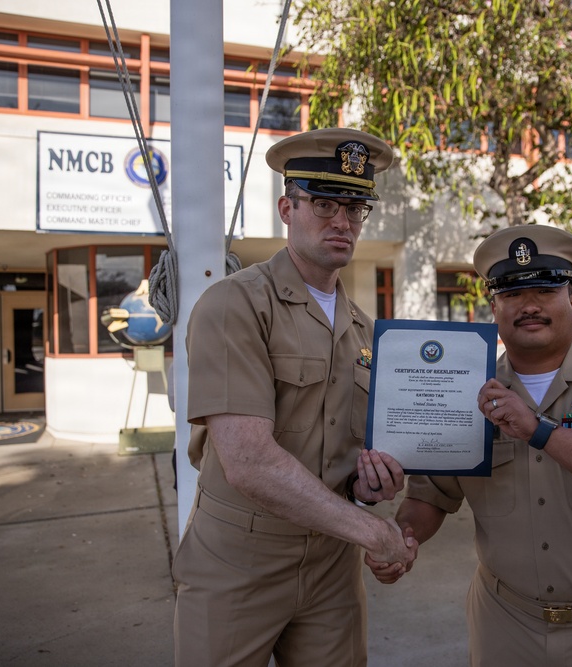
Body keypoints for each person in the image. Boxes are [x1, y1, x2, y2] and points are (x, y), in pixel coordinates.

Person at [368, 225, 572, 666]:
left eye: (545, 290)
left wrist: (541, 431)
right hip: (505, 626)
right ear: (493, 307)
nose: (529, 305)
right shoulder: (466, 393)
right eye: (513, 294)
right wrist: (401, 541)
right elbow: (431, 496)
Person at [172, 128, 415, 667]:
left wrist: (370, 484)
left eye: (355, 209)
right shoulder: (234, 305)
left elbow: (346, 455)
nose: (341, 222)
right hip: (239, 557)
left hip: (331, 563)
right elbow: (249, 462)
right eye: (324, 204)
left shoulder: (367, 333)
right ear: (287, 206)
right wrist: (373, 531)